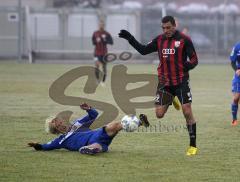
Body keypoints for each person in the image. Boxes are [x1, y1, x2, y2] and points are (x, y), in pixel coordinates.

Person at [118, 15, 198, 156]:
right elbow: (143, 50)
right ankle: (172, 99)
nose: (166, 30)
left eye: (168, 27)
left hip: (181, 81)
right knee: (159, 114)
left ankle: (192, 145)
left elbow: (194, 59)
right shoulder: (160, 40)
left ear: (174, 26)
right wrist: (130, 38)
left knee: (187, 111)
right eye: (163, 28)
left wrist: (188, 66)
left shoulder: (184, 40)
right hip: (164, 83)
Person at [28, 103, 149, 155]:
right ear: (56, 130)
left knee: (114, 125)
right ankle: (89, 150)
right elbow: (46, 147)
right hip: (93, 143)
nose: (61, 124)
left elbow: (93, 115)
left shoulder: (76, 124)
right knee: (96, 147)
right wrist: (36, 145)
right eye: (58, 126)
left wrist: (88, 108)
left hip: (98, 135)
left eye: (60, 121)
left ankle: (139, 122)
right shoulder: (60, 141)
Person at [92, 21, 113, 85]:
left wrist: (105, 40)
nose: (101, 26)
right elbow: (93, 42)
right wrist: (96, 41)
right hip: (96, 53)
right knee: (97, 65)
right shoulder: (95, 33)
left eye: (102, 25)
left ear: (104, 26)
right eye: (100, 25)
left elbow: (111, 42)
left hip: (104, 53)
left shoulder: (107, 34)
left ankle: (103, 81)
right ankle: (98, 80)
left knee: (104, 67)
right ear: (98, 25)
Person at [230, 42, 240, 126]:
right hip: (239, 76)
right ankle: (234, 119)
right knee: (236, 98)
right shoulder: (237, 46)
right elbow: (232, 62)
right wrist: (237, 70)